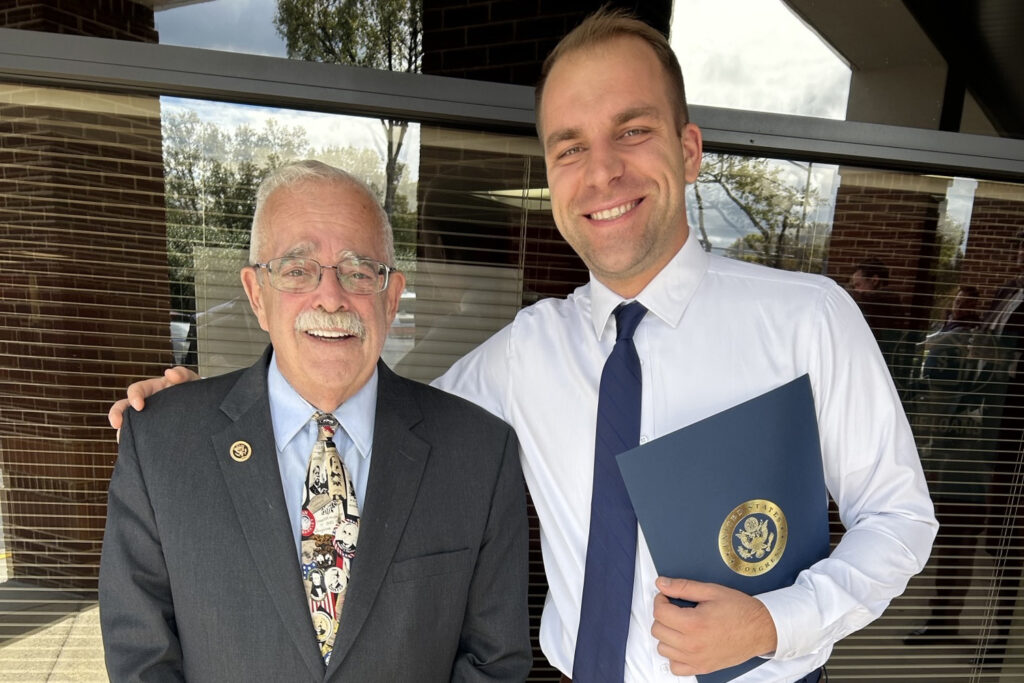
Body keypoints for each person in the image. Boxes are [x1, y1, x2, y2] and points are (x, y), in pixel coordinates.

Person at [109, 10, 937, 682]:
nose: (602, 170)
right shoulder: (524, 354)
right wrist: (205, 411)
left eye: (632, 131)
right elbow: (359, 395)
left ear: (689, 149)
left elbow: (900, 518)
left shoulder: (808, 321)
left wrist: (777, 619)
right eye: (570, 147)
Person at [99, 160, 531, 681]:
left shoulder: (480, 453)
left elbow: (493, 663)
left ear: (390, 297)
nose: (330, 297)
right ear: (257, 293)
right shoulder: (161, 442)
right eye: (297, 270)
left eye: (358, 271)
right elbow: (141, 658)